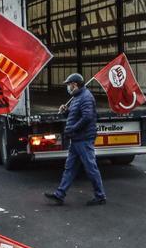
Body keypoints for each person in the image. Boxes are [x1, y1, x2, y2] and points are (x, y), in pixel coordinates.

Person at [44, 73, 106, 207]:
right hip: (77, 139)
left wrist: (72, 129)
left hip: (83, 139)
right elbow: (76, 115)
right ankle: (59, 195)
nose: (68, 87)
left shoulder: (86, 97)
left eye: (68, 84)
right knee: (70, 168)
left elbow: (87, 117)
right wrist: (66, 111)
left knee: (90, 168)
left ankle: (100, 196)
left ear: (75, 84)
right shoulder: (77, 97)